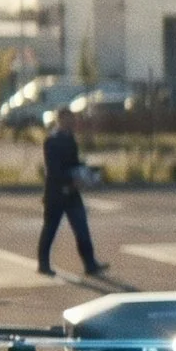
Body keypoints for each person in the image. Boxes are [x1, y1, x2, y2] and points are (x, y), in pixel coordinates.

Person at [36, 106, 108, 278]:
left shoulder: (70, 139)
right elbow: (53, 170)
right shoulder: (51, 140)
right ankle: (43, 263)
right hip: (55, 194)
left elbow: (74, 163)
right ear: (59, 120)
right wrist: (70, 180)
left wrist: (87, 173)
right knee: (50, 229)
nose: (71, 123)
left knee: (81, 228)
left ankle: (90, 264)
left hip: (73, 194)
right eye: (68, 120)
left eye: (72, 120)